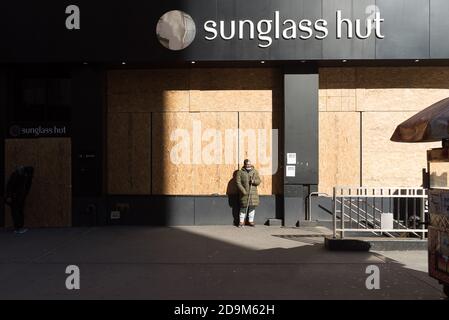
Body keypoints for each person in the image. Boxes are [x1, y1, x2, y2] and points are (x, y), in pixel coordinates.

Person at [4, 166, 34, 234]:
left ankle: (19, 227)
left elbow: (26, 187)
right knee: (16, 211)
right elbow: (10, 185)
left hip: (19, 196)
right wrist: (9, 196)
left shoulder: (24, 175)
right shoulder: (17, 175)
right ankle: (17, 228)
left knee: (18, 211)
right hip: (15, 196)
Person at [236, 159, 261, 228]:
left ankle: (251, 221)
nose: (249, 165)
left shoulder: (255, 172)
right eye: (247, 164)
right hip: (244, 194)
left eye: (249, 164)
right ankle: (241, 222)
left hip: (253, 194)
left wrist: (254, 181)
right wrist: (243, 191)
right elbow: (238, 182)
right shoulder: (240, 172)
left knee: (252, 207)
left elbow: (259, 181)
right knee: (243, 207)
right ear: (244, 164)